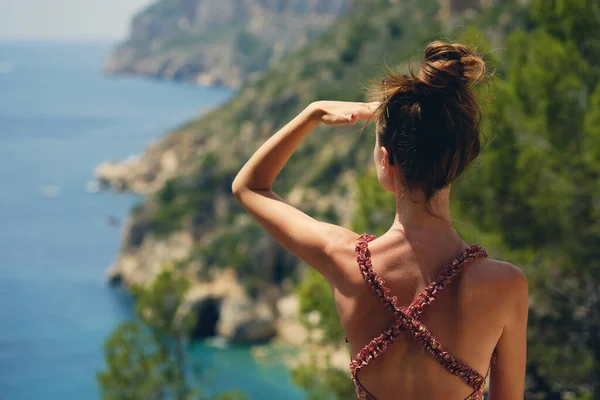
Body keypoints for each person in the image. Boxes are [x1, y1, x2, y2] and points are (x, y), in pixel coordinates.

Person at [232, 41, 528, 399]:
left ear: (386, 161)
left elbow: (249, 187)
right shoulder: (505, 285)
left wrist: (313, 112)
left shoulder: (345, 260)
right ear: (460, 162)